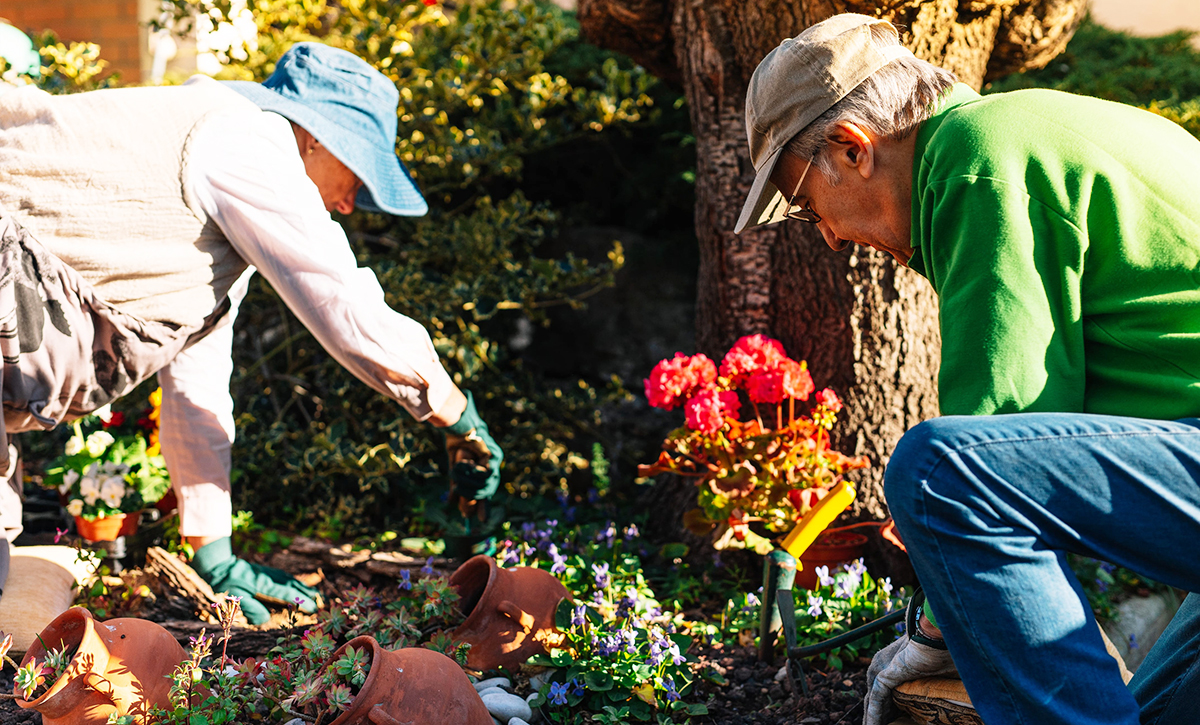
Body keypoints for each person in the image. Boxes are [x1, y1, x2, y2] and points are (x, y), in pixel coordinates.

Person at [736, 13, 1200, 725]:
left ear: (854, 148)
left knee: (934, 472)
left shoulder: (978, 158)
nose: (828, 237)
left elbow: (998, 441)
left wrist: (940, 629)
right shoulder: (1026, 130)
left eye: (806, 207)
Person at [0, 42, 503, 624]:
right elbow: (342, 299)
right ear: (316, 137)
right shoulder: (244, 141)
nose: (349, 204)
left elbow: (197, 387)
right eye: (357, 178)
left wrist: (214, 552)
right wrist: (452, 413)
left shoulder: (205, 227)